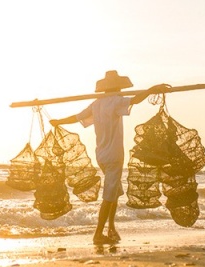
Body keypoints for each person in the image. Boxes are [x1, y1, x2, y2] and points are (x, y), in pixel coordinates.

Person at [50, 70, 170, 245]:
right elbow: (135, 100)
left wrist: (58, 121)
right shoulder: (116, 101)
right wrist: (152, 89)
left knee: (113, 193)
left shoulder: (96, 104)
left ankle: (111, 228)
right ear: (117, 87)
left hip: (101, 155)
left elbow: (77, 118)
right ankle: (98, 234)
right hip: (114, 155)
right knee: (109, 196)